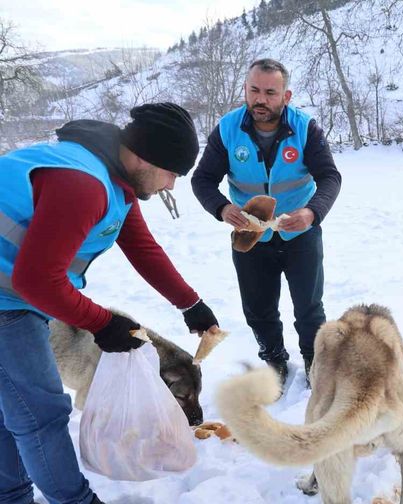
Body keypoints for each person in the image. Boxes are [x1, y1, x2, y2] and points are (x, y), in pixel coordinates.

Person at [0, 102, 220, 504]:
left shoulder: (113, 178)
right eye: (172, 173)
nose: (172, 185)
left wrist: (190, 304)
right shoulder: (82, 184)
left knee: (13, 407)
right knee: (41, 413)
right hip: (10, 299)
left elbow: (141, 246)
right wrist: (102, 324)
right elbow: (36, 280)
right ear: (144, 157)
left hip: (16, 293)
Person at [191, 58, 341, 390]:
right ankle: (274, 360)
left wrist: (311, 213)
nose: (261, 99)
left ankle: (314, 361)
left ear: (286, 96)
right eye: (254, 90)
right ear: (245, 89)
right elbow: (202, 180)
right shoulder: (228, 129)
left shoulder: (305, 128)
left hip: (299, 233)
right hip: (250, 236)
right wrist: (222, 208)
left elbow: (330, 177)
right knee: (258, 309)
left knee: (309, 307)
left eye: (270, 93)